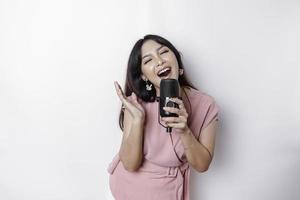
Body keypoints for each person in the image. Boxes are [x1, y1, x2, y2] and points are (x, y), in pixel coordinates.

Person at [107, 34, 220, 200]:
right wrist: (138, 120)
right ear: (144, 76)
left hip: (167, 192)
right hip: (127, 187)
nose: (159, 61)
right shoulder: (135, 104)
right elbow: (130, 164)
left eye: (164, 52)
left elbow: (202, 165)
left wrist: (184, 131)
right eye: (148, 60)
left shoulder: (205, 105)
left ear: (177, 61)